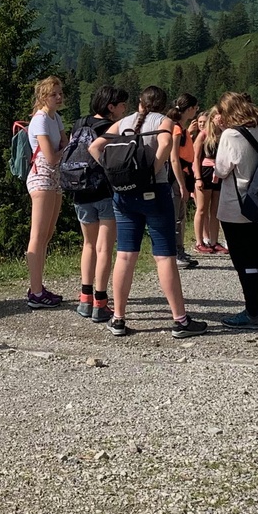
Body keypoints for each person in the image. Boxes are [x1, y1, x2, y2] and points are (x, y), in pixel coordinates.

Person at [87, 86, 202, 339]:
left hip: (123, 195)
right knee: (164, 257)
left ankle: (118, 318)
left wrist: (111, 171)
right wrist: (151, 173)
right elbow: (164, 144)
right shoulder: (163, 120)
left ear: (140, 102)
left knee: (125, 256)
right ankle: (180, 321)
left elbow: (94, 147)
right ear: (162, 104)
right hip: (155, 193)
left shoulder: (123, 122)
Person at [213, 91, 258, 327]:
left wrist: (221, 133)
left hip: (237, 203)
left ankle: (251, 312)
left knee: (243, 260)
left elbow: (221, 170)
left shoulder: (231, 135)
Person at [72, 86, 128, 324]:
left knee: (88, 244)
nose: (125, 109)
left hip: (80, 191)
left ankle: (85, 298)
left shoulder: (78, 123)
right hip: (104, 192)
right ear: (111, 107)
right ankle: (101, 302)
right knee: (104, 248)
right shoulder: (111, 128)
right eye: (122, 105)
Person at [23, 77, 66, 308]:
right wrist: (64, 150)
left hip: (55, 177)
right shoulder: (40, 120)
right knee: (38, 236)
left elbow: (63, 144)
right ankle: (36, 292)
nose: (58, 98)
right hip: (41, 177)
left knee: (47, 234)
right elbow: (51, 155)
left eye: (60, 93)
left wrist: (63, 149)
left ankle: (37, 286)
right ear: (42, 97)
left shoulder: (55, 117)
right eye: (53, 94)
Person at [167, 93, 201, 270]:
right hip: (175, 178)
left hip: (181, 176)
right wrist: (181, 184)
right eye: (195, 108)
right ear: (189, 109)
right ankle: (175, 253)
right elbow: (174, 158)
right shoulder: (176, 129)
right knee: (175, 218)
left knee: (179, 216)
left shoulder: (181, 128)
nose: (196, 111)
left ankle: (179, 251)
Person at [192, 108, 225, 256]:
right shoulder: (203, 135)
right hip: (205, 172)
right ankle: (199, 242)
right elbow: (196, 158)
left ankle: (213, 241)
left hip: (218, 172)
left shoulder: (223, 134)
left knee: (215, 210)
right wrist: (198, 178)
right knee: (202, 208)